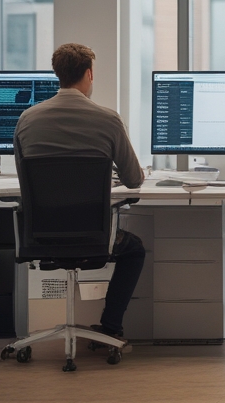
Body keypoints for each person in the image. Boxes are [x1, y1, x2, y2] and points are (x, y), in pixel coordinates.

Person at [13, 42, 146, 345]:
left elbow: (24, 177)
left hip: (40, 237)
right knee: (134, 249)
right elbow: (133, 180)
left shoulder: (27, 119)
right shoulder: (108, 119)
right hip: (94, 236)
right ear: (89, 74)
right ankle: (110, 327)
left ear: (57, 74)